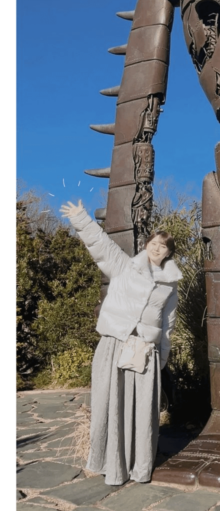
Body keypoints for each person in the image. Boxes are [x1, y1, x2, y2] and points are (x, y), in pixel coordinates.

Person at [60, 200, 182, 486]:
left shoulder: (170, 285)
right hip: (115, 345)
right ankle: (110, 465)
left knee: (142, 411)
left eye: (163, 246)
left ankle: (140, 468)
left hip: (144, 351)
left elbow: (168, 324)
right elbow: (100, 245)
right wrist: (81, 218)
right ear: (147, 243)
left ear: (168, 253)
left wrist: (161, 358)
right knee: (111, 405)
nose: (157, 248)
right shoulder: (124, 266)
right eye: (155, 242)